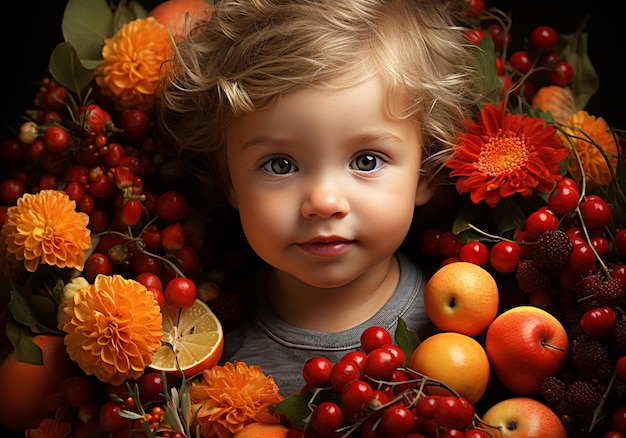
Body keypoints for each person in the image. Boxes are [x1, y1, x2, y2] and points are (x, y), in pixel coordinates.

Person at [158, 0, 478, 396]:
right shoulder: (204, 358)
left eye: (366, 160)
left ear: (424, 171)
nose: (325, 202)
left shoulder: (462, 337)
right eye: (279, 165)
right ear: (229, 181)